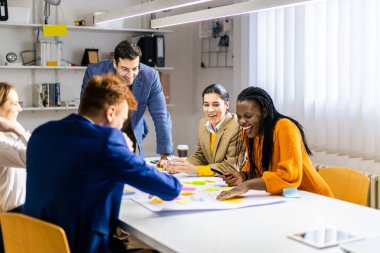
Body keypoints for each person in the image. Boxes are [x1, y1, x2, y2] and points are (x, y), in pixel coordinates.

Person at [23, 74, 182, 253]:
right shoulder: (106, 141)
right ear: (110, 113)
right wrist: (124, 149)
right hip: (80, 247)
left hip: (35, 243)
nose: (121, 129)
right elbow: (170, 189)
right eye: (121, 122)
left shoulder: (41, 133)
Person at [217, 86, 333, 200]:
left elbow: (289, 176)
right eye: (239, 116)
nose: (242, 122)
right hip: (284, 199)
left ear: (264, 112)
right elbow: (258, 171)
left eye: (248, 116)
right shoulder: (249, 133)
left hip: (314, 198)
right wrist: (243, 176)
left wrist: (247, 185)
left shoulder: (284, 127)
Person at [81, 40, 172, 158]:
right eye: (125, 69)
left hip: (130, 131)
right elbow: (86, 113)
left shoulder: (150, 76)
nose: (130, 75)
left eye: (134, 68)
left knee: (126, 170)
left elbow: (161, 115)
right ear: (115, 63)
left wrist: (165, 154)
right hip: (101, 130)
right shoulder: (95, 73)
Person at [166, 84, 240, 176]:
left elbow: (231, 166)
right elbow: (201, 157)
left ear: (227, 105)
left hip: (235, 181)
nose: (210, 110)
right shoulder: (203, 123)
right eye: (206, 105)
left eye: (216, 105)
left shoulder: (237, 126)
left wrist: (195, 169)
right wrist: (180, 165)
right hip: (214, 180)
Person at [0, 82, 30, 213]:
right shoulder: (2, 143)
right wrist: (18, 129)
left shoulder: (9, 136)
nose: (20, 109)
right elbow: (37, 156)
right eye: (14, 103)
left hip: (21, 211)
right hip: (11, 217)